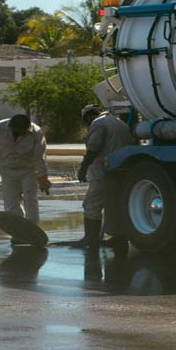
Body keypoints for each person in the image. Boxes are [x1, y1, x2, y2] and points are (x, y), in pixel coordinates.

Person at [68, 105, 133, 249]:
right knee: (114, 205)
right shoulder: (120, 124)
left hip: (103, 172)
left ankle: (90, 239)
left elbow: (93, 149)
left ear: (89, 116)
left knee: (91, 204)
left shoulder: (98, 123)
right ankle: (119, 238)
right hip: (122, 171)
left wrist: (83, 169)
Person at [0, 114, 50, 225]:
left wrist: (43, 177)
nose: (21, 132)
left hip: (28, 170)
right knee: (11, 202)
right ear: (11, 127)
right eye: (18, 130)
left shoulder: (37, 133)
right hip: (7, 170)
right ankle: (17, 229)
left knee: (30, 199)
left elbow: (40, 157)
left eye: (24, 130)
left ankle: (32, 228)